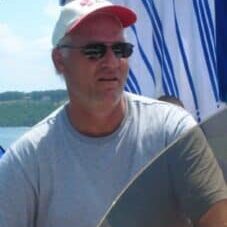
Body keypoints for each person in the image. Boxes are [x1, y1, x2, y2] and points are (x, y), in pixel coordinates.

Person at [0, 0, 227, 226]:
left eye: (120, 50)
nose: (111, 62)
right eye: (94, 51)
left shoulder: (173, 131)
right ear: (59, 60)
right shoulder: (26, 162)